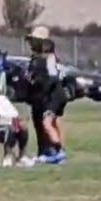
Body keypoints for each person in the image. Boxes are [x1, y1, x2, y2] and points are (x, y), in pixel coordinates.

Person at [26, 25, 67, 163]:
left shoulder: (49, 58)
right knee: (53, 122)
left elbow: (52, 78)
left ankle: (59, 150)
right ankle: (55, 151)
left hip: (53, 95)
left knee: (47, 123)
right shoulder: (38, 59)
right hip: (50, 95)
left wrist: (42, 87)